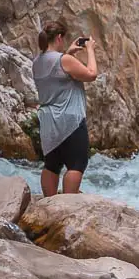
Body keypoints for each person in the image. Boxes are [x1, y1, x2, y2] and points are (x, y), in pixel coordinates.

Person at [31, 21, 98, 197]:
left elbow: (57, 72)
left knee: (52, 163)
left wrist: (69, 52)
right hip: (69, 119)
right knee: (77, 163)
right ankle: (67, 206)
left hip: (48, 121)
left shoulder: (37, 62)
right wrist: (90, 49)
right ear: (59, 38)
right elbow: (91, 74)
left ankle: (49, 203)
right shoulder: (64, 60)